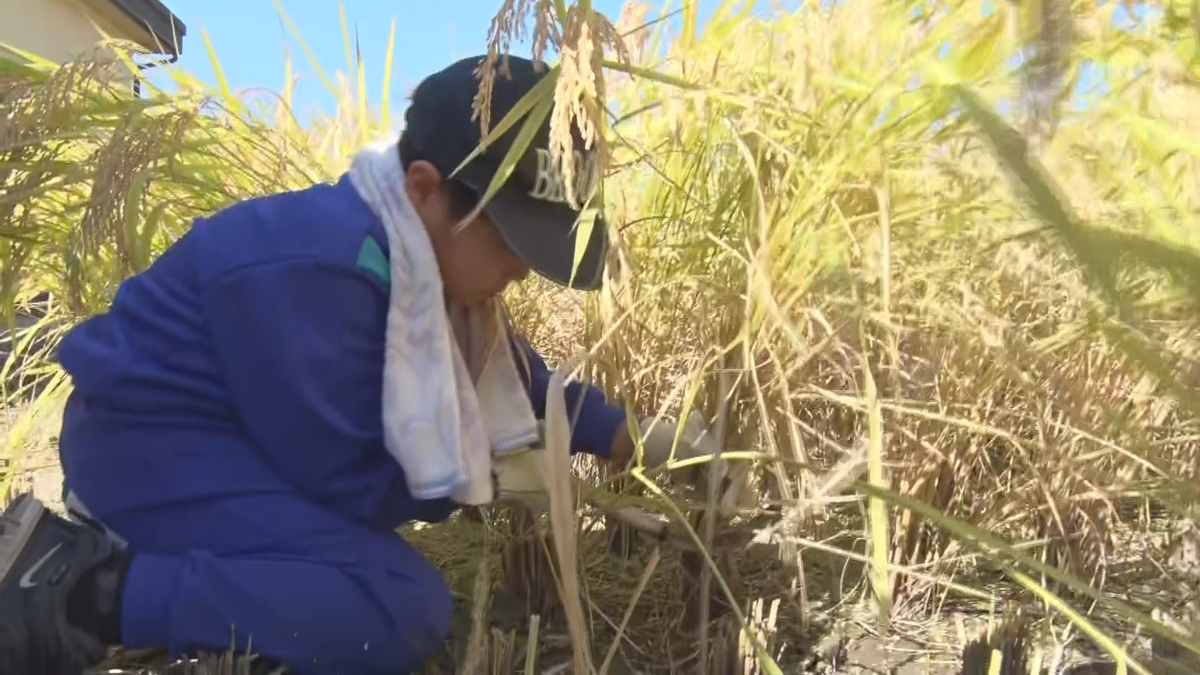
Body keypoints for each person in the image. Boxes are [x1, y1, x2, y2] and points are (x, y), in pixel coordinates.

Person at [0, 55, 718, 675]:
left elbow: (521, 381)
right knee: (399, 605)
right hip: (149, 450)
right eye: (513, 244)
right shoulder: (331, 269)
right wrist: (492, 475)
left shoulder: (418, 269)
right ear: (425, 191)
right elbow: (343, 483)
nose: (523, 273)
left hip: (228, 443)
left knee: (382, 589)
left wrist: (639, 435)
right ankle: (82, 587)